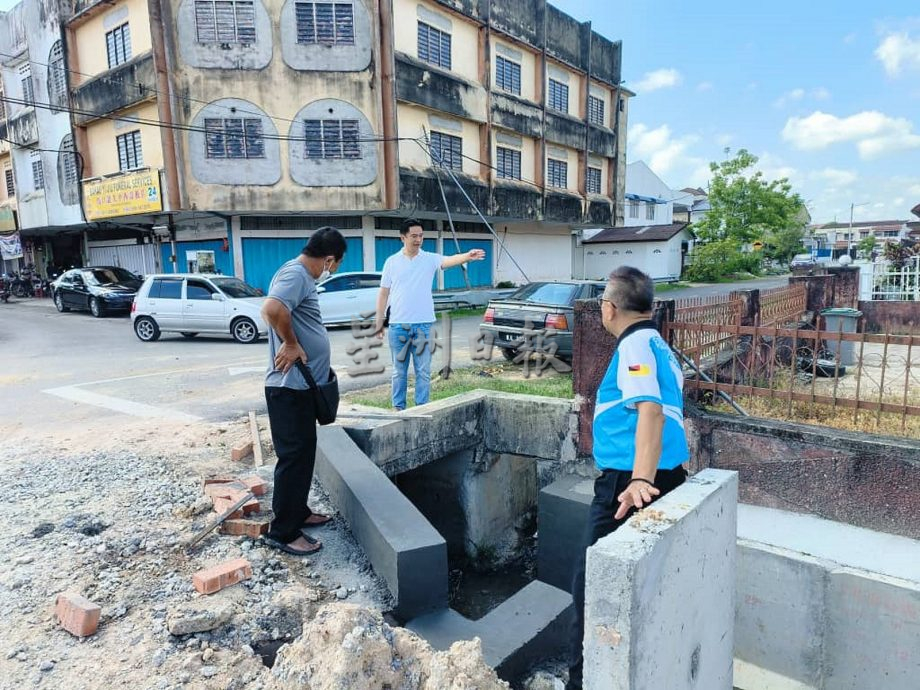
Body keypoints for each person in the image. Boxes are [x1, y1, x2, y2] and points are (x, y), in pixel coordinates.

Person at [566, 266, 690, 690]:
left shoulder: (635, 345)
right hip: (664, 477)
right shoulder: (658, 344)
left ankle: (585, 681)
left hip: (630, 485)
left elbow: (649, 410)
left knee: (591, 584)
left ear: (609, 307)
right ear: (650, 306)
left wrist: (638, 480)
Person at [261, 227, 346, 556]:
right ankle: (282, 532)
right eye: (335, 264)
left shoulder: (298, 276)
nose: (333, 270)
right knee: (293, 458)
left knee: (304, 453)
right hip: (288, 387)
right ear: (328, 259)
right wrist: (292, 344)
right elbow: (271, 309)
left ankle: (298, 512)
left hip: (299, 387)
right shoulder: (297, 274)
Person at [374, 218, 485, 410]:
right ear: (403, 238)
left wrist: (467, 256)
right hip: (398, 325)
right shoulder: (391, 262)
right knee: (399, 372)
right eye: (414, 236)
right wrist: (379, 321)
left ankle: (422, 408)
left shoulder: (429, 259)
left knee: (423, 371)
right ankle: (398, 408)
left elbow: (448, 260)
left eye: (421, 236)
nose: (418, 240)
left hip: (423, 325)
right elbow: (383, 293)